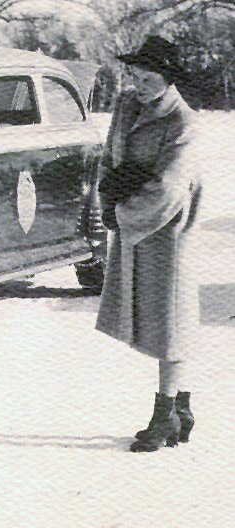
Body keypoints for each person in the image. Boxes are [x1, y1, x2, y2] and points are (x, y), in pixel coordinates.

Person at [95, 36, 203, 453]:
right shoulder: (126, 106)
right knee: (159, 321)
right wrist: (108, 197)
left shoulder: (184, 123)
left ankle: (165, 414)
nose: (136, 84)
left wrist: (123, 212)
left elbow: (169, 188)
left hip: (168, 229)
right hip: (133, 220)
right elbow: (109, 159)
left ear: (167, 79)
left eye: (146, 78)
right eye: (133, 75)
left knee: (171, 322)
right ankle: (182, 408)